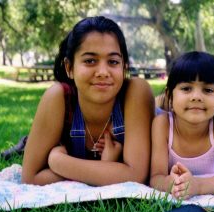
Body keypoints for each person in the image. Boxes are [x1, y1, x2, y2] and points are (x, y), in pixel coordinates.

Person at [21, 16, 154, 186]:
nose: (103, 72)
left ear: (124, 67)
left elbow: (136, 175)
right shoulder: (59, 97)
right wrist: (111, 169)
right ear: (69, 68)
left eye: (113, 62)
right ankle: (25, 143)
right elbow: (31, 178)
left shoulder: (136, 91)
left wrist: (59, 162)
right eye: (90, 61)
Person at [150, 51, 214, 199]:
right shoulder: (161, 124)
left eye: (208, 90)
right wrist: (169, 183)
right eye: (186, 88)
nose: (196, 97)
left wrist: (197, 186)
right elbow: (156, 177)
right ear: (169, 97)